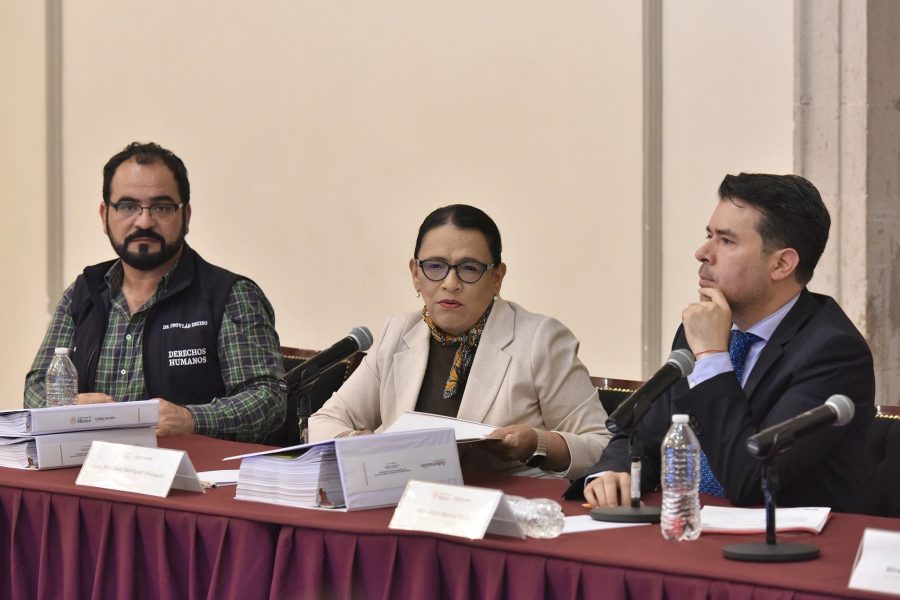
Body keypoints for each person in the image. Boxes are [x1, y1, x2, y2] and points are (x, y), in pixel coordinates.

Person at [571, 173, 875, 513]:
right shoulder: (703, 327)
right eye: (709, 236)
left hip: (783, 539)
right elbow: (644, 433)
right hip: (688, 527)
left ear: (781, 264)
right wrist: (614, 472)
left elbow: (750, 480)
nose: (702, 253)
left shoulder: (833, 353)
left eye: (726, 241)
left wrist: (712, 356)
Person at [308, 204, 610, 479]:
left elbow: (601, 445)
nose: (450, 283)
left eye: (469, 268)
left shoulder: (539, 340)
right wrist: (359, 443)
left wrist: (538, 443)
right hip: (402, 502)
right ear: (415, 274)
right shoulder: (398, 332)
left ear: (496, 278)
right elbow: (325, 421)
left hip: (500, 508)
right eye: (435, 266)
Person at [24, 142, 285, 442]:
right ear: (105, 215)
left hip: (190, 468)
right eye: (127, 206)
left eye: (161, 207)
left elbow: (268, 399)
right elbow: (36, 387)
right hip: (86, 463)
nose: (144, 221)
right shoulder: (82, 293)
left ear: (186, 216)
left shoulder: (230, 297)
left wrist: (192, 419)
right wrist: (64, 408)